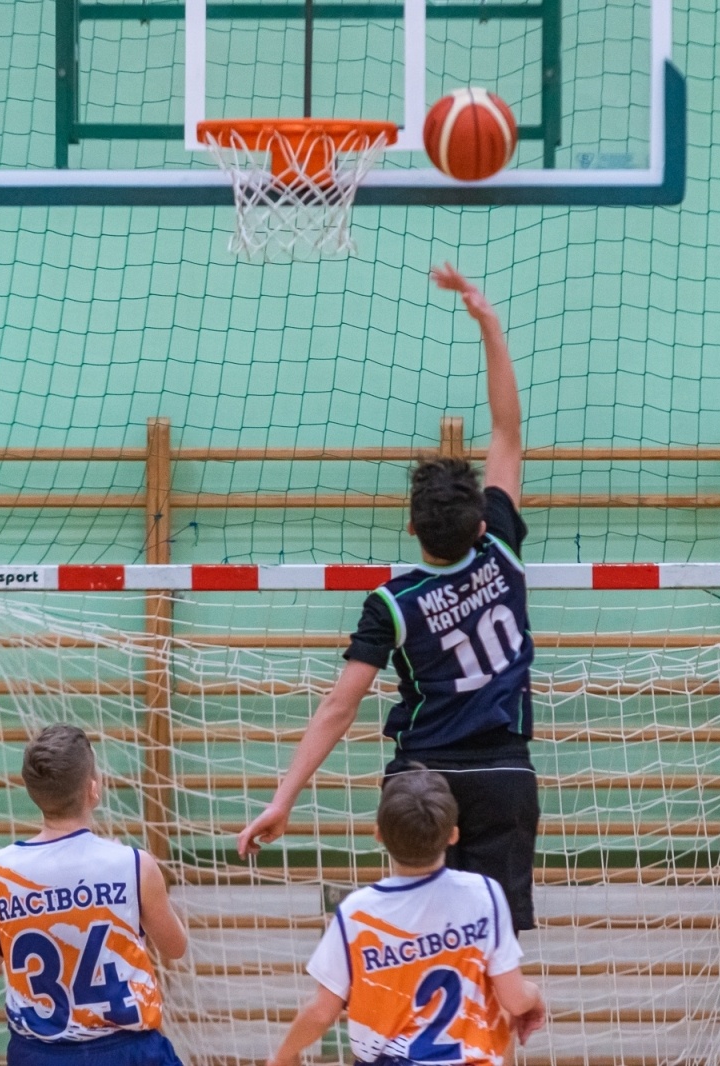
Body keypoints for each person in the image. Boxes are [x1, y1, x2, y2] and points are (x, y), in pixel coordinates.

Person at [237, 263, 541, 932]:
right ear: (481, 524)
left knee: (416, 940)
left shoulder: (392, 603)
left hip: (420, 786)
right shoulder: (502, 549)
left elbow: (338, 707)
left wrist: (283, 798)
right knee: (495, 951)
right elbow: (507, 435)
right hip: (504, 776)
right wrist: (489, 324)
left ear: (411, 528)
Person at [0, 723, 190, 1066]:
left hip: (39, 1056)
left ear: (34, 792)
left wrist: (6, 938)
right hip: (128, 1052)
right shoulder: (133, 865)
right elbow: (175, 947)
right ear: (93, 789)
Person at [266, 769, 545, 1066]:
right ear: (453, 834)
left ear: (378, 834)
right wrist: (534, 996)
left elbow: (322, 1011)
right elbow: (514, 998)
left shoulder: (357, 912)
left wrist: (284, 1055)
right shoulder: (484, 893)